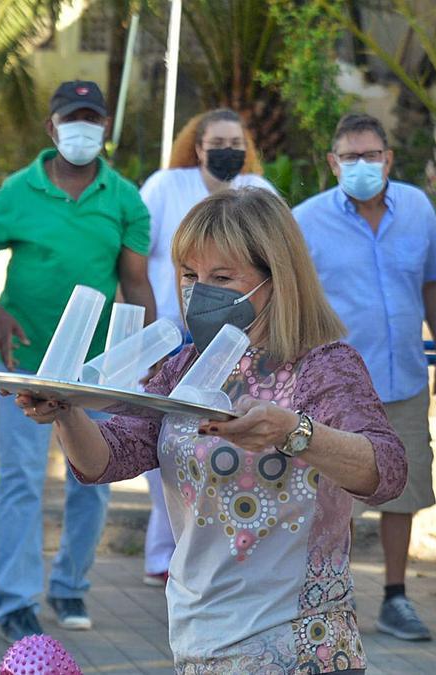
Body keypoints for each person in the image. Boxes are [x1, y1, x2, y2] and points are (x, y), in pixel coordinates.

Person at [15, 187, 408, 672]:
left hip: (298, 640)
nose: (200, 291)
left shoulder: (323, 367)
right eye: (189, 275)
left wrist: (293, 432)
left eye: (222, 277)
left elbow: (386, 471)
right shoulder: (183, 366)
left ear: (277, 279)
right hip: (199, 631)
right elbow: (106, 459)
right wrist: (66, 409)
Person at [0, 80, 156, 641]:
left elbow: (137, 283)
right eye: (72, 119)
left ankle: (71, 585)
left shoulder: (124, 198)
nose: (84, 130)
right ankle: (15, 602)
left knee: (93, 477)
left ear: (105, 129)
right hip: (25, 360)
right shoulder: (15, 192)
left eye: (93, 120)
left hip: (96, 370)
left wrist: (146, 356)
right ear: (52, 128)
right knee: (22, 481)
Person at [294, 113, 436, 642]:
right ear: (331, 162)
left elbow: (432, 284)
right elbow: (289, 301)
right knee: (329, 494)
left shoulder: (417, 209)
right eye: (350, 156)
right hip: (336, 388)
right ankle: (317, 595)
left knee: (404, 491)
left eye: (371, 155)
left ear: (388, 159)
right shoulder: (306, 221)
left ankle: (395, 597)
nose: (362, 165)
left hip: (405, 376)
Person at [137, 108, 276, 588]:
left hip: (243, 340)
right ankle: (167, 550)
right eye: (218, 141)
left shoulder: (263, 194)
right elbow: (137, 256)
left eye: (236, 141)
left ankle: (217, 552)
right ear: (197, 146)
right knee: (166, 441)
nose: (227, 150)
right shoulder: (164, 187)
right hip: (174, 338)